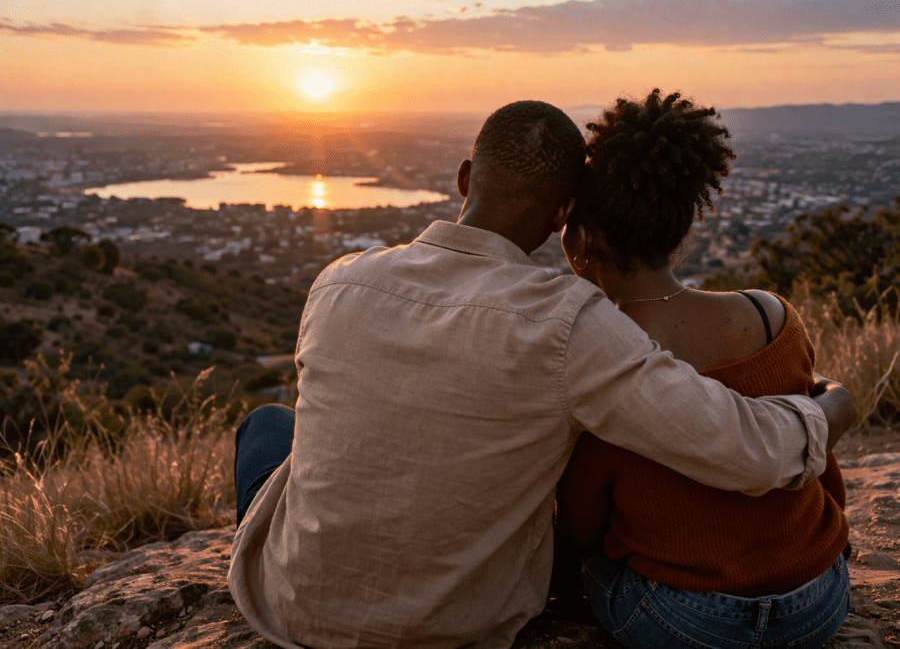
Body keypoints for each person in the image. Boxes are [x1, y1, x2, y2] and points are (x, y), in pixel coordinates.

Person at [227, 100, 857, 649]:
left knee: (267, 428)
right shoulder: (569, 323)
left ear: (465, 177)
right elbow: (749, 450)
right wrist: (833, 407)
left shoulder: (337, 281)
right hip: (458, 625)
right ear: (562, 216)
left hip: (298, 614)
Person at [554, 89, 851, 648]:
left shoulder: (602, 360)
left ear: (582, 241)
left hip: (687, 620)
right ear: (681, 225)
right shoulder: (773, 318)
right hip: (818, 598)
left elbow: (582, 526)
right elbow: (819, 452)